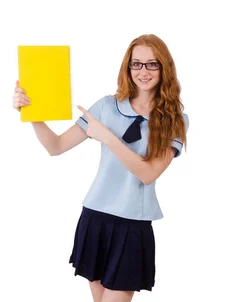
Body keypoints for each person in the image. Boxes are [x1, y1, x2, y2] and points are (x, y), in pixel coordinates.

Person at [12, 34, 188, 302]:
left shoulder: (176, 120)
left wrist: (106, 136)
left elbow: (148, 173)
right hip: (95, 216)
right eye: (136, 64)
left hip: (132, 224)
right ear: (127, 68)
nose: (144, 71)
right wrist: (32, 114)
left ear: (164, 68)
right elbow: (56, 146)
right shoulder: (107, 106)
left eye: (152, 64)